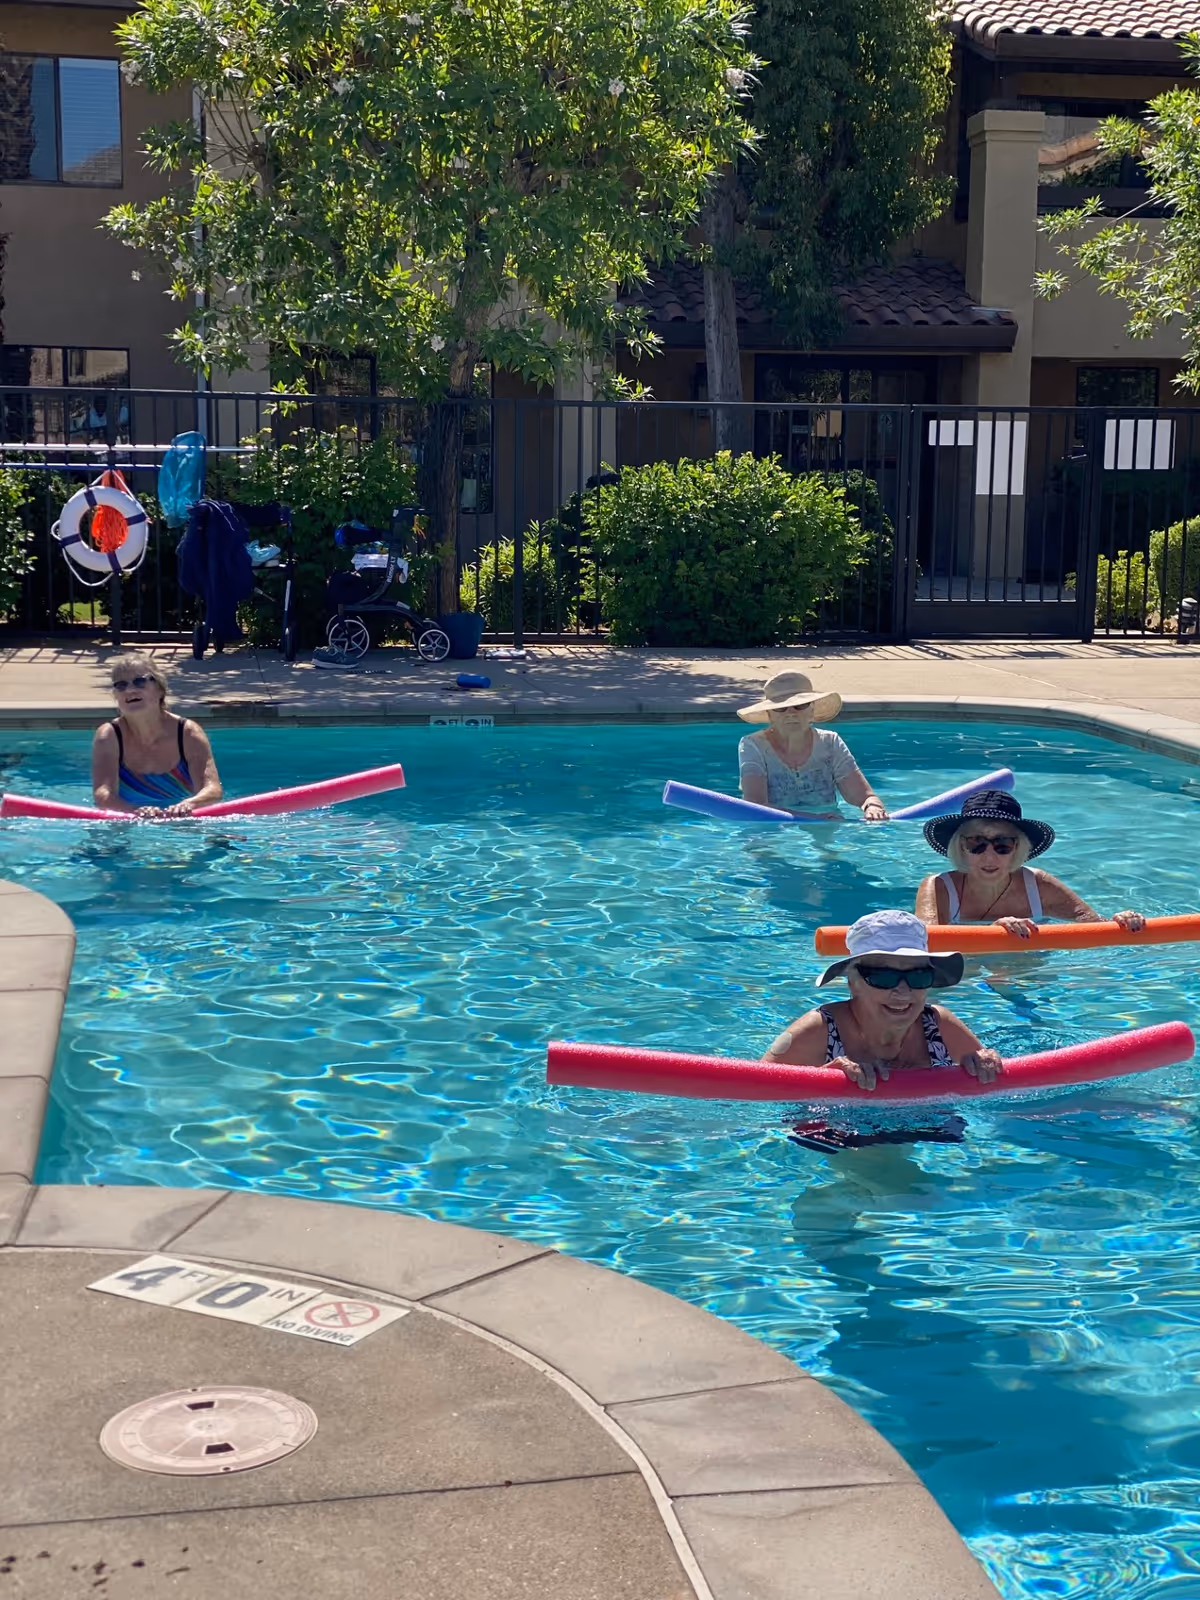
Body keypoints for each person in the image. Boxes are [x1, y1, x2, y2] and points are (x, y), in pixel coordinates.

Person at [764, 910, 1001, 1150]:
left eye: (917, 976)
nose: (902, 991)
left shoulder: (939, 1024)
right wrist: (822, 1082)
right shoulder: (818, 1029)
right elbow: (756, 1095)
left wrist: (987, 1063)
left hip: (932, 1132)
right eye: (883, 976)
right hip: (839, 1137)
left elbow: (992, 1093)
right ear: (852, 982)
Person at [914, 790, 1145, 938]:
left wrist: (1121, 921)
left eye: (1002, 843)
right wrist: (992, 933)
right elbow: (924, 943)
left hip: (1029, 972)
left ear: (1019, 847)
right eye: (977, 843)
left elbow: (1094, 928)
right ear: (960, 846)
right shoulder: (937, 887)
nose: (989, 856)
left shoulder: (1038, 884)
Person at [737, 671, 887, 820]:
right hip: (773, 829)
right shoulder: (753, 745)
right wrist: (812, 818)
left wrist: (873, 806)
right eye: (780, 708)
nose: (791, 713)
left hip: (826, 828)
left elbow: (865, 797)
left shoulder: (830, 742)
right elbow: (755, 806)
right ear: (770, 714)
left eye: (800, 705)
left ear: (812, 709)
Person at [91, 654, 222, 816]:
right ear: (116, 696)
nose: (130, 690)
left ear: (160, 689)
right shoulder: (109, 735)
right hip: (130, 824)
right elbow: (103, 794)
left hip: (184, 825)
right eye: (121, 685)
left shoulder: (187, 733)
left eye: (140, 682)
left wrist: (189, 804)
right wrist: (134, 811)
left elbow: (212, 789)